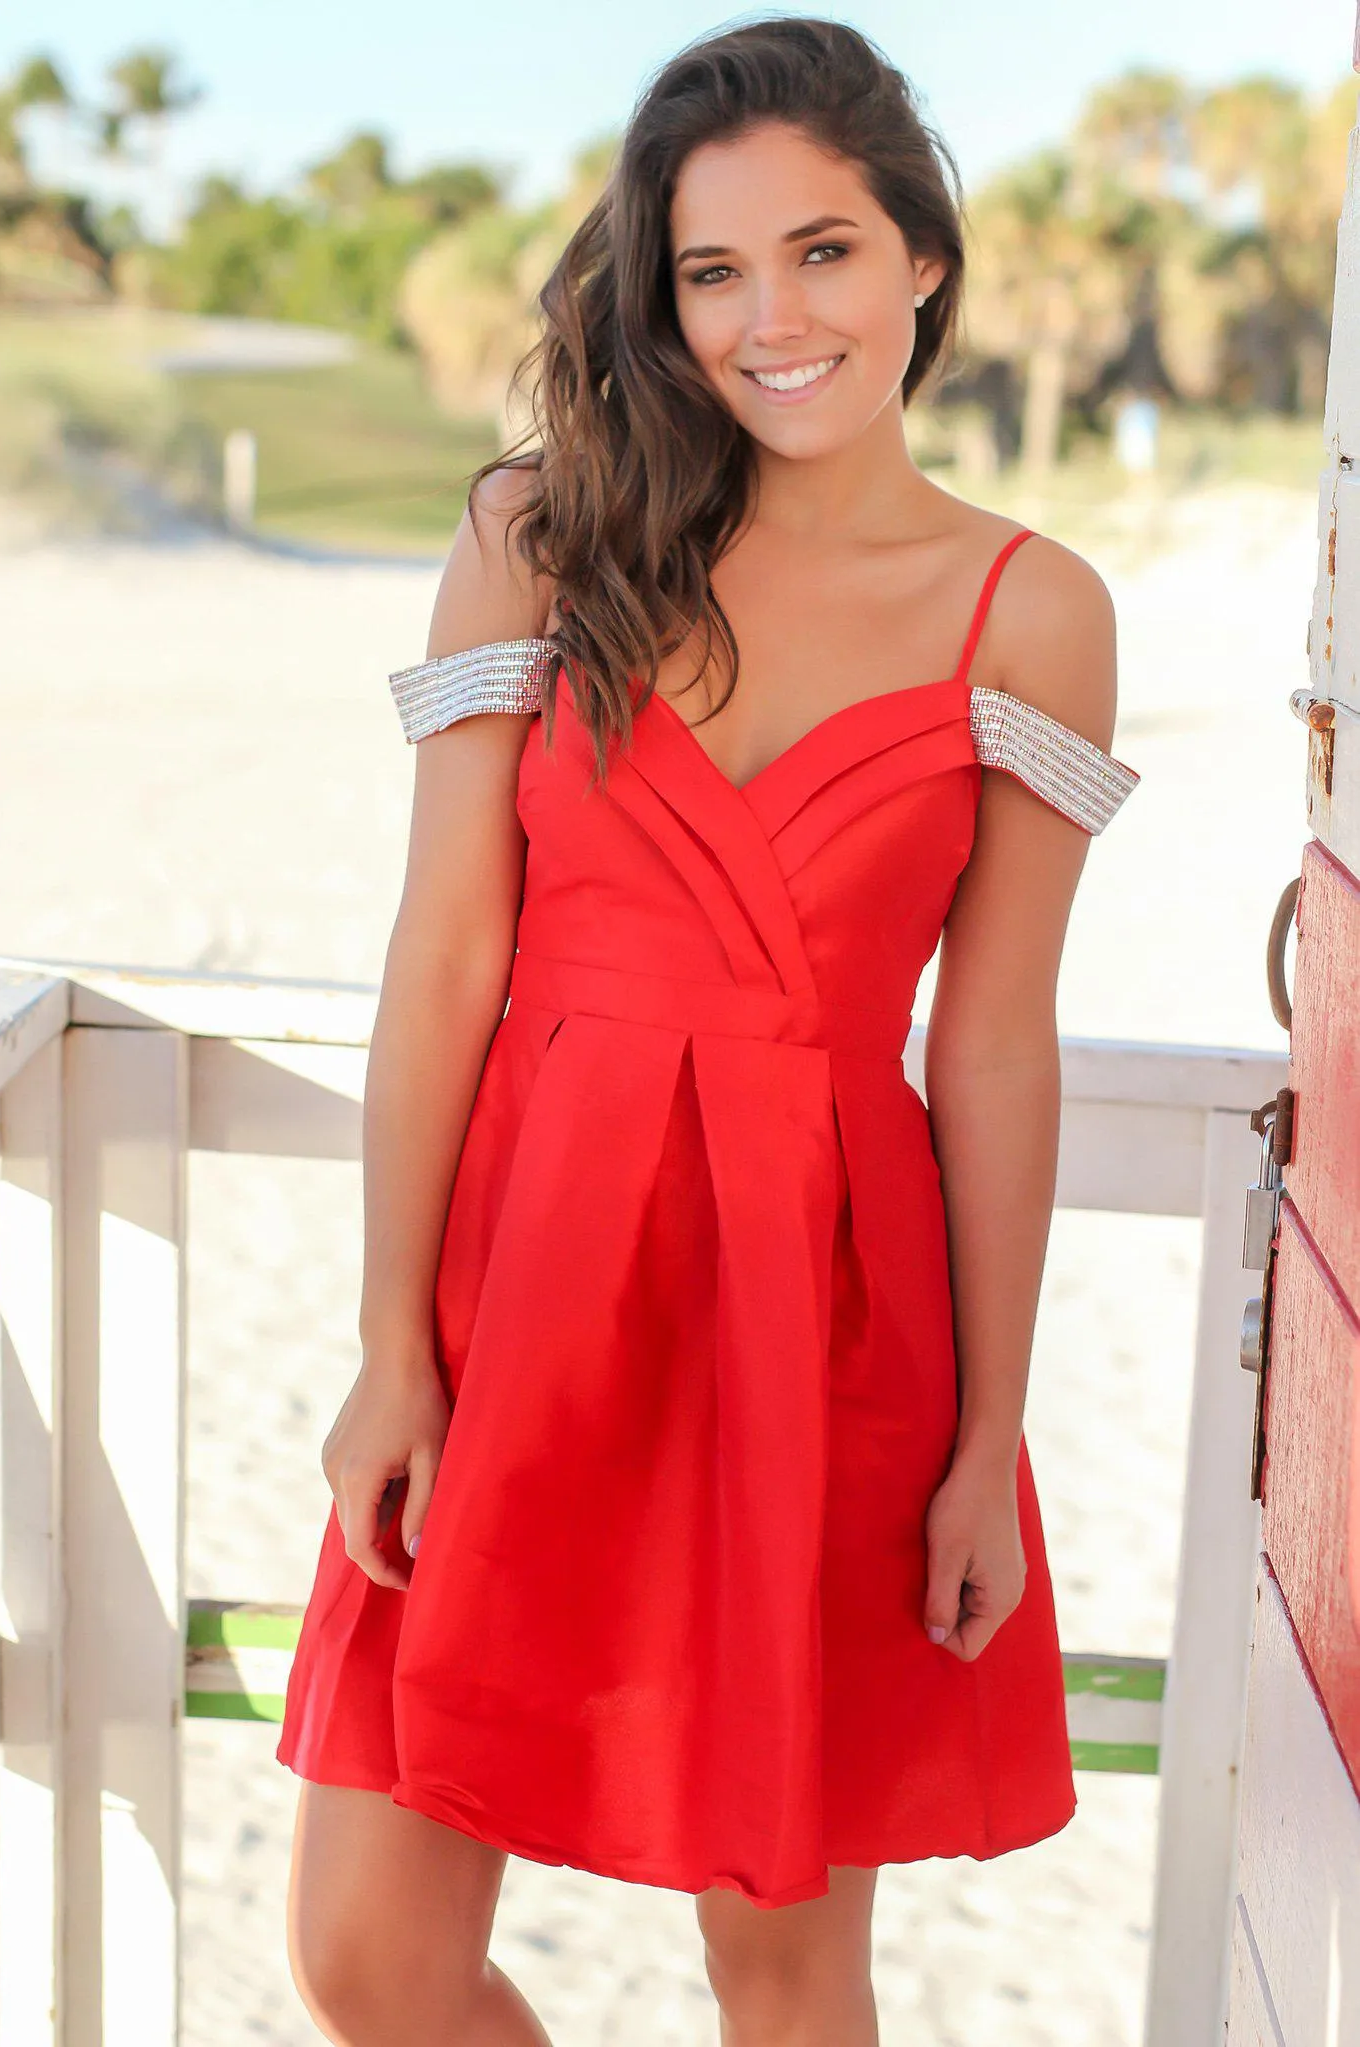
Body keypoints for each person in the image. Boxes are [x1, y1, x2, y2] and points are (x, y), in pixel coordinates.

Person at [276, 17, 1140, 2045]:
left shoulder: (1028, 609)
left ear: (922, 258)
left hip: (816, 1323)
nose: (775, 318)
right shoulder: (541, 533)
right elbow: (444, 962)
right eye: (712, 269)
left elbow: (996, 1045)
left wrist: (982, 1436)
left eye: (824, 251)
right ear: (658, 302)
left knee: (779, 1975)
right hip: (516, 1300)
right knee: (367, 1955)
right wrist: (394, 1346)